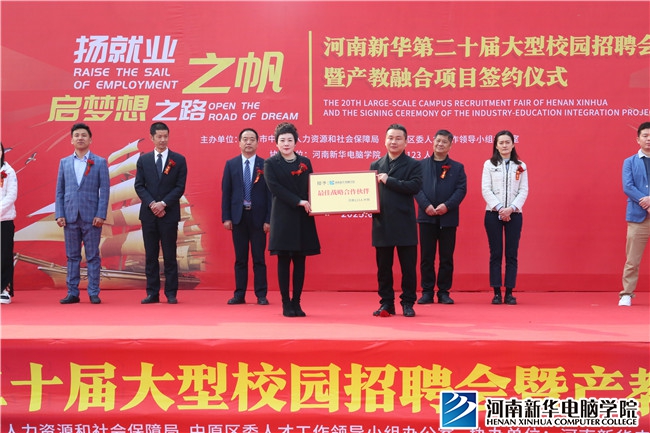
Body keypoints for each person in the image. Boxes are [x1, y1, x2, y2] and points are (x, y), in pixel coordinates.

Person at [264, 122, 320, 317]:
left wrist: (321, 202)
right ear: (276, 143)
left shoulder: (305, 162)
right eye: (282, 140)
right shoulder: (270, 163)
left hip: (303, 217)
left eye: (290, 140)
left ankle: (297, 302)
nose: (286, 144)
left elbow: (313, 186)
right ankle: (286, 303)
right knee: (284, 260)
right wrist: (298, 201)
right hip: (283, 217)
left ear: (296, 142)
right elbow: (275, 188)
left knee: (300, 261)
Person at [370, 124, 423, 317]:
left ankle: (408, 303)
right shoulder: (375, 165)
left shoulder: (414, 165)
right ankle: (386, 303)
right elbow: (369, 193)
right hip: (381, 223)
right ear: (385, 140)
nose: (393, 141)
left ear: (406, 142)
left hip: (404, 224)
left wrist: (389, 180)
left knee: (408, 268)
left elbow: (414, 186)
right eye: (390, 138)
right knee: (383, 268)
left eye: (398, 138)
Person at [55, 123, 110, 304]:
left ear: (90, 139)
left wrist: (101, 214)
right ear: (71, 140)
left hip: (92, 217)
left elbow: (105, 191)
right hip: (70, 216)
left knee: (92, 256)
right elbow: (60, 191)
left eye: (84, 135)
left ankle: (93, 292)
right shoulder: (64, 162)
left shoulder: (99, 162)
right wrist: (59, 213)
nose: (80, 138)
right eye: (77, 135)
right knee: (72, 256)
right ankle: (72, 292)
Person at [135, 122, 188, 304]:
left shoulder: (178, 160)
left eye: (165, 136)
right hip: (148, 214)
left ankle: (171, 293)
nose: (163, 140)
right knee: (151, 255)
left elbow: (179, 187)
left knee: (169, 255)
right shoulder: (144, 160)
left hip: (169, 214)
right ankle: (152, 292)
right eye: (159, 136)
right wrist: (153, 204)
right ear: (152, 137)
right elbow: (139, 186)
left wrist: (163, 204)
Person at [415, 130, 467, 305]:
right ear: (433, 142)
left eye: (444, 142)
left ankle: (444, 292)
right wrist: (426, 205)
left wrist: (447, 206)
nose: (440, 144)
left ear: (450, 145)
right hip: (426, 216)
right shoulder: (420, 165)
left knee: (446, 257)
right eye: (438, 141)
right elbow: (416, 188)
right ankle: (427, 292)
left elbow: (461, 190)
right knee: (426, 257)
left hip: (448, 218)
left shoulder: (457, 167)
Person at [222, 128, 272, 305]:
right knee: (240, 259)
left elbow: (270, 195)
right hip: (239, 217)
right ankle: (239, 294)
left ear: (257, 143)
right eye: (245, 139)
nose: (248, 142)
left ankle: (261, 295)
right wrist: (226, 217)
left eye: (252, 139)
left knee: (259, 258)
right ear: (239, 143)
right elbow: (226, 192)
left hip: (258, 219)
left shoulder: (265, 165)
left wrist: (268, 220)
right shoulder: (231, 164)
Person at [481, 130, 528, 305]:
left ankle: (509, 292)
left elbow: (524, 190)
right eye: (501, 143)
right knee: (496, 253)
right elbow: (486, 189)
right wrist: (500, 209)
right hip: (493, 213)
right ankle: (496, 293)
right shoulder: (489, 164)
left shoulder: (521, 165)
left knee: (511, 253)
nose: (504, 145)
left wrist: (511, 209)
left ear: (513, 144)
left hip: (514, 214)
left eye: (507, 142)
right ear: (496, 145)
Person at [619, 121, 650, 306]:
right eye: (645, 136)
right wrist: (645, 202)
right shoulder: (629, 162)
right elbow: (628, 187)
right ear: (638, 139)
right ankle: (627, 293)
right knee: (632, 259)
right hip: (638, 218)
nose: (649, 139)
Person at [1, 142, 18, 304]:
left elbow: (11, 196)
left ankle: (4, 289)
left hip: (4, 220)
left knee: (4, 255)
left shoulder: (8, 171)